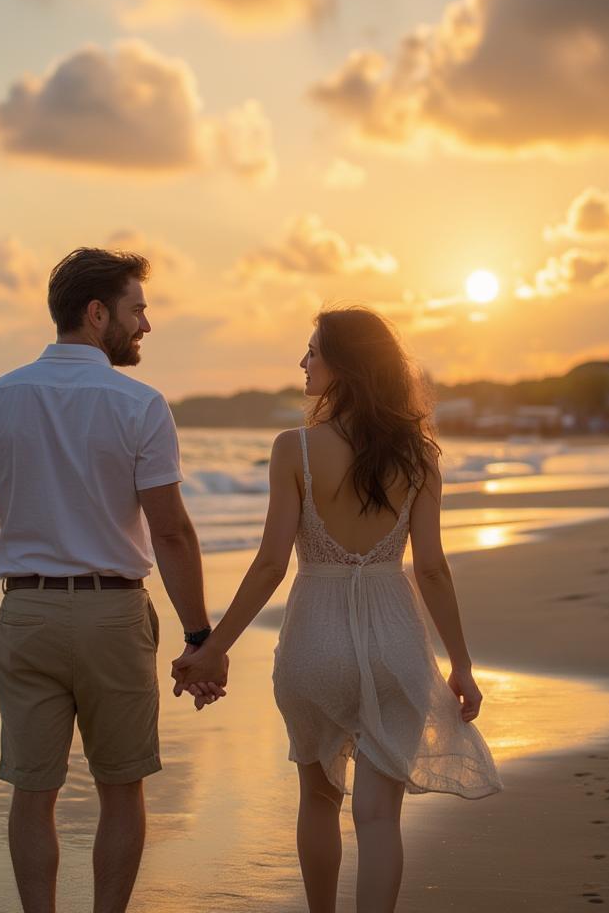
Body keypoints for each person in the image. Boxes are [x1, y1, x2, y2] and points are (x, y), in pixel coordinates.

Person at [173, 306, 502, 913]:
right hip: (394, 639)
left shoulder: (292, 449)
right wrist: (461, 664)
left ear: (346, 366)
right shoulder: (420, 457)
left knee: (318, 800)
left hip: (315, 640)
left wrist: (214, 645)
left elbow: (272, 564)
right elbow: (431, 568)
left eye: (313, 351)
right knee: (379, 819)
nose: (302, 362)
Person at [0, 246, 228, 913]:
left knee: (31, 793)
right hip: (113, 616)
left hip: (27, 616)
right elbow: (172, 531)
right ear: (97, 314)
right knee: (121, 789)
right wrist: (198, 636)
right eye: (138, 310)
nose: (146, 326)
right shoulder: (140, 405)